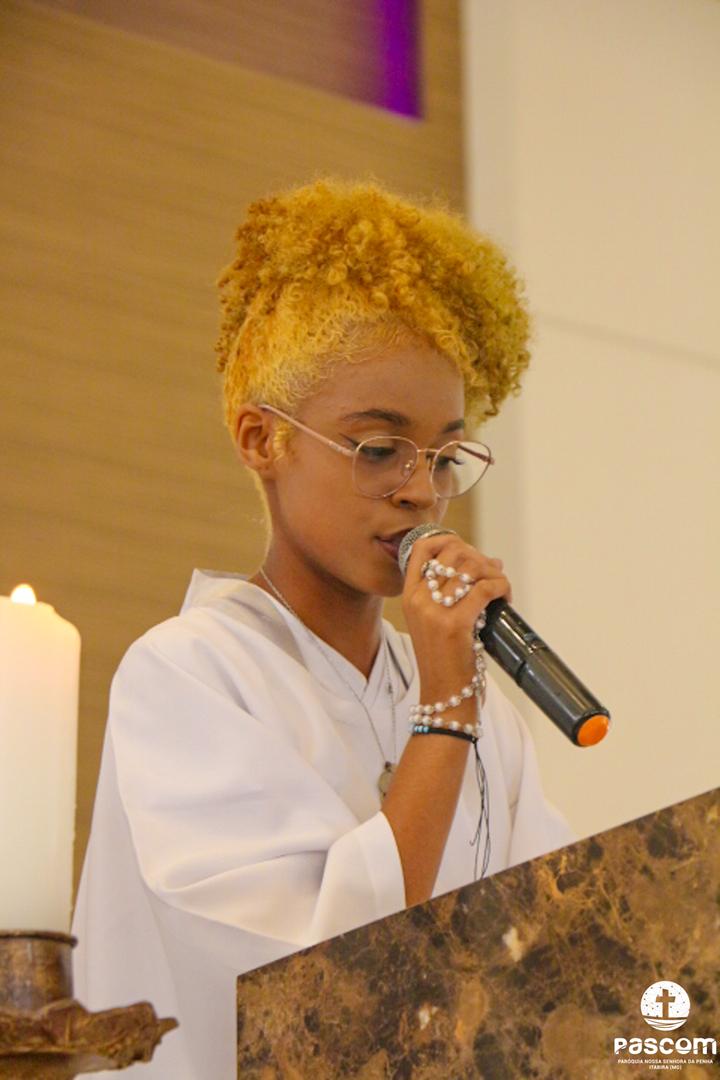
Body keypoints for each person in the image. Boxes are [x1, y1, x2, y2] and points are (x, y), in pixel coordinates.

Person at [72, 178, 577, 1078]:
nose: (420, 491)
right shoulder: (188, 677)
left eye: (443, 456)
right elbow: (323, 994)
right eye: (380, 449)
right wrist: (445, 712)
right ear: (261, 439)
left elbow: (567, 964)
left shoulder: (483, 714)